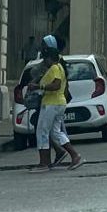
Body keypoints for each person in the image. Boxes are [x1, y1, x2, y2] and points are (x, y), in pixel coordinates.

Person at [28, 35, 83, 173]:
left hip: (51, 104)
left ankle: (44, 162)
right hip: (58, 103)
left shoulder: (54, 68)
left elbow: (56, 85)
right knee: (55, 132)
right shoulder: (59, 66)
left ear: (49, 58)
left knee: (42, 132)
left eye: (45, 59)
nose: (44, 62)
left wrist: (38, 87)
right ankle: (75, 155)